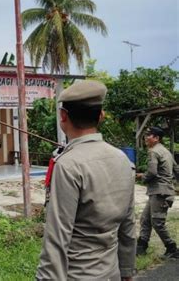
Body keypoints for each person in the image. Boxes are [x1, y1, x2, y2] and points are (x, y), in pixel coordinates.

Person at [36, 80, 136, 281]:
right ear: (101, 116)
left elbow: (57, 238)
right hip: (112, 273)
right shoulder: (122, 159)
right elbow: (128, 225)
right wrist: (126, 271)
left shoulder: (68, 165)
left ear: (63, 116)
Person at [136, 126, 179, 258]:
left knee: (157, 223)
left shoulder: (153, 152)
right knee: (145, 219)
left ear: (156, 138)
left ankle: (172, 248)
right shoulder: (166, 152)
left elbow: (152, 172)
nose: (145, 137)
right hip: (162, 192)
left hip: (160, 192)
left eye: (149, 135)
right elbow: (176, 169)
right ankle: (141, 248)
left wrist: (142, 177)